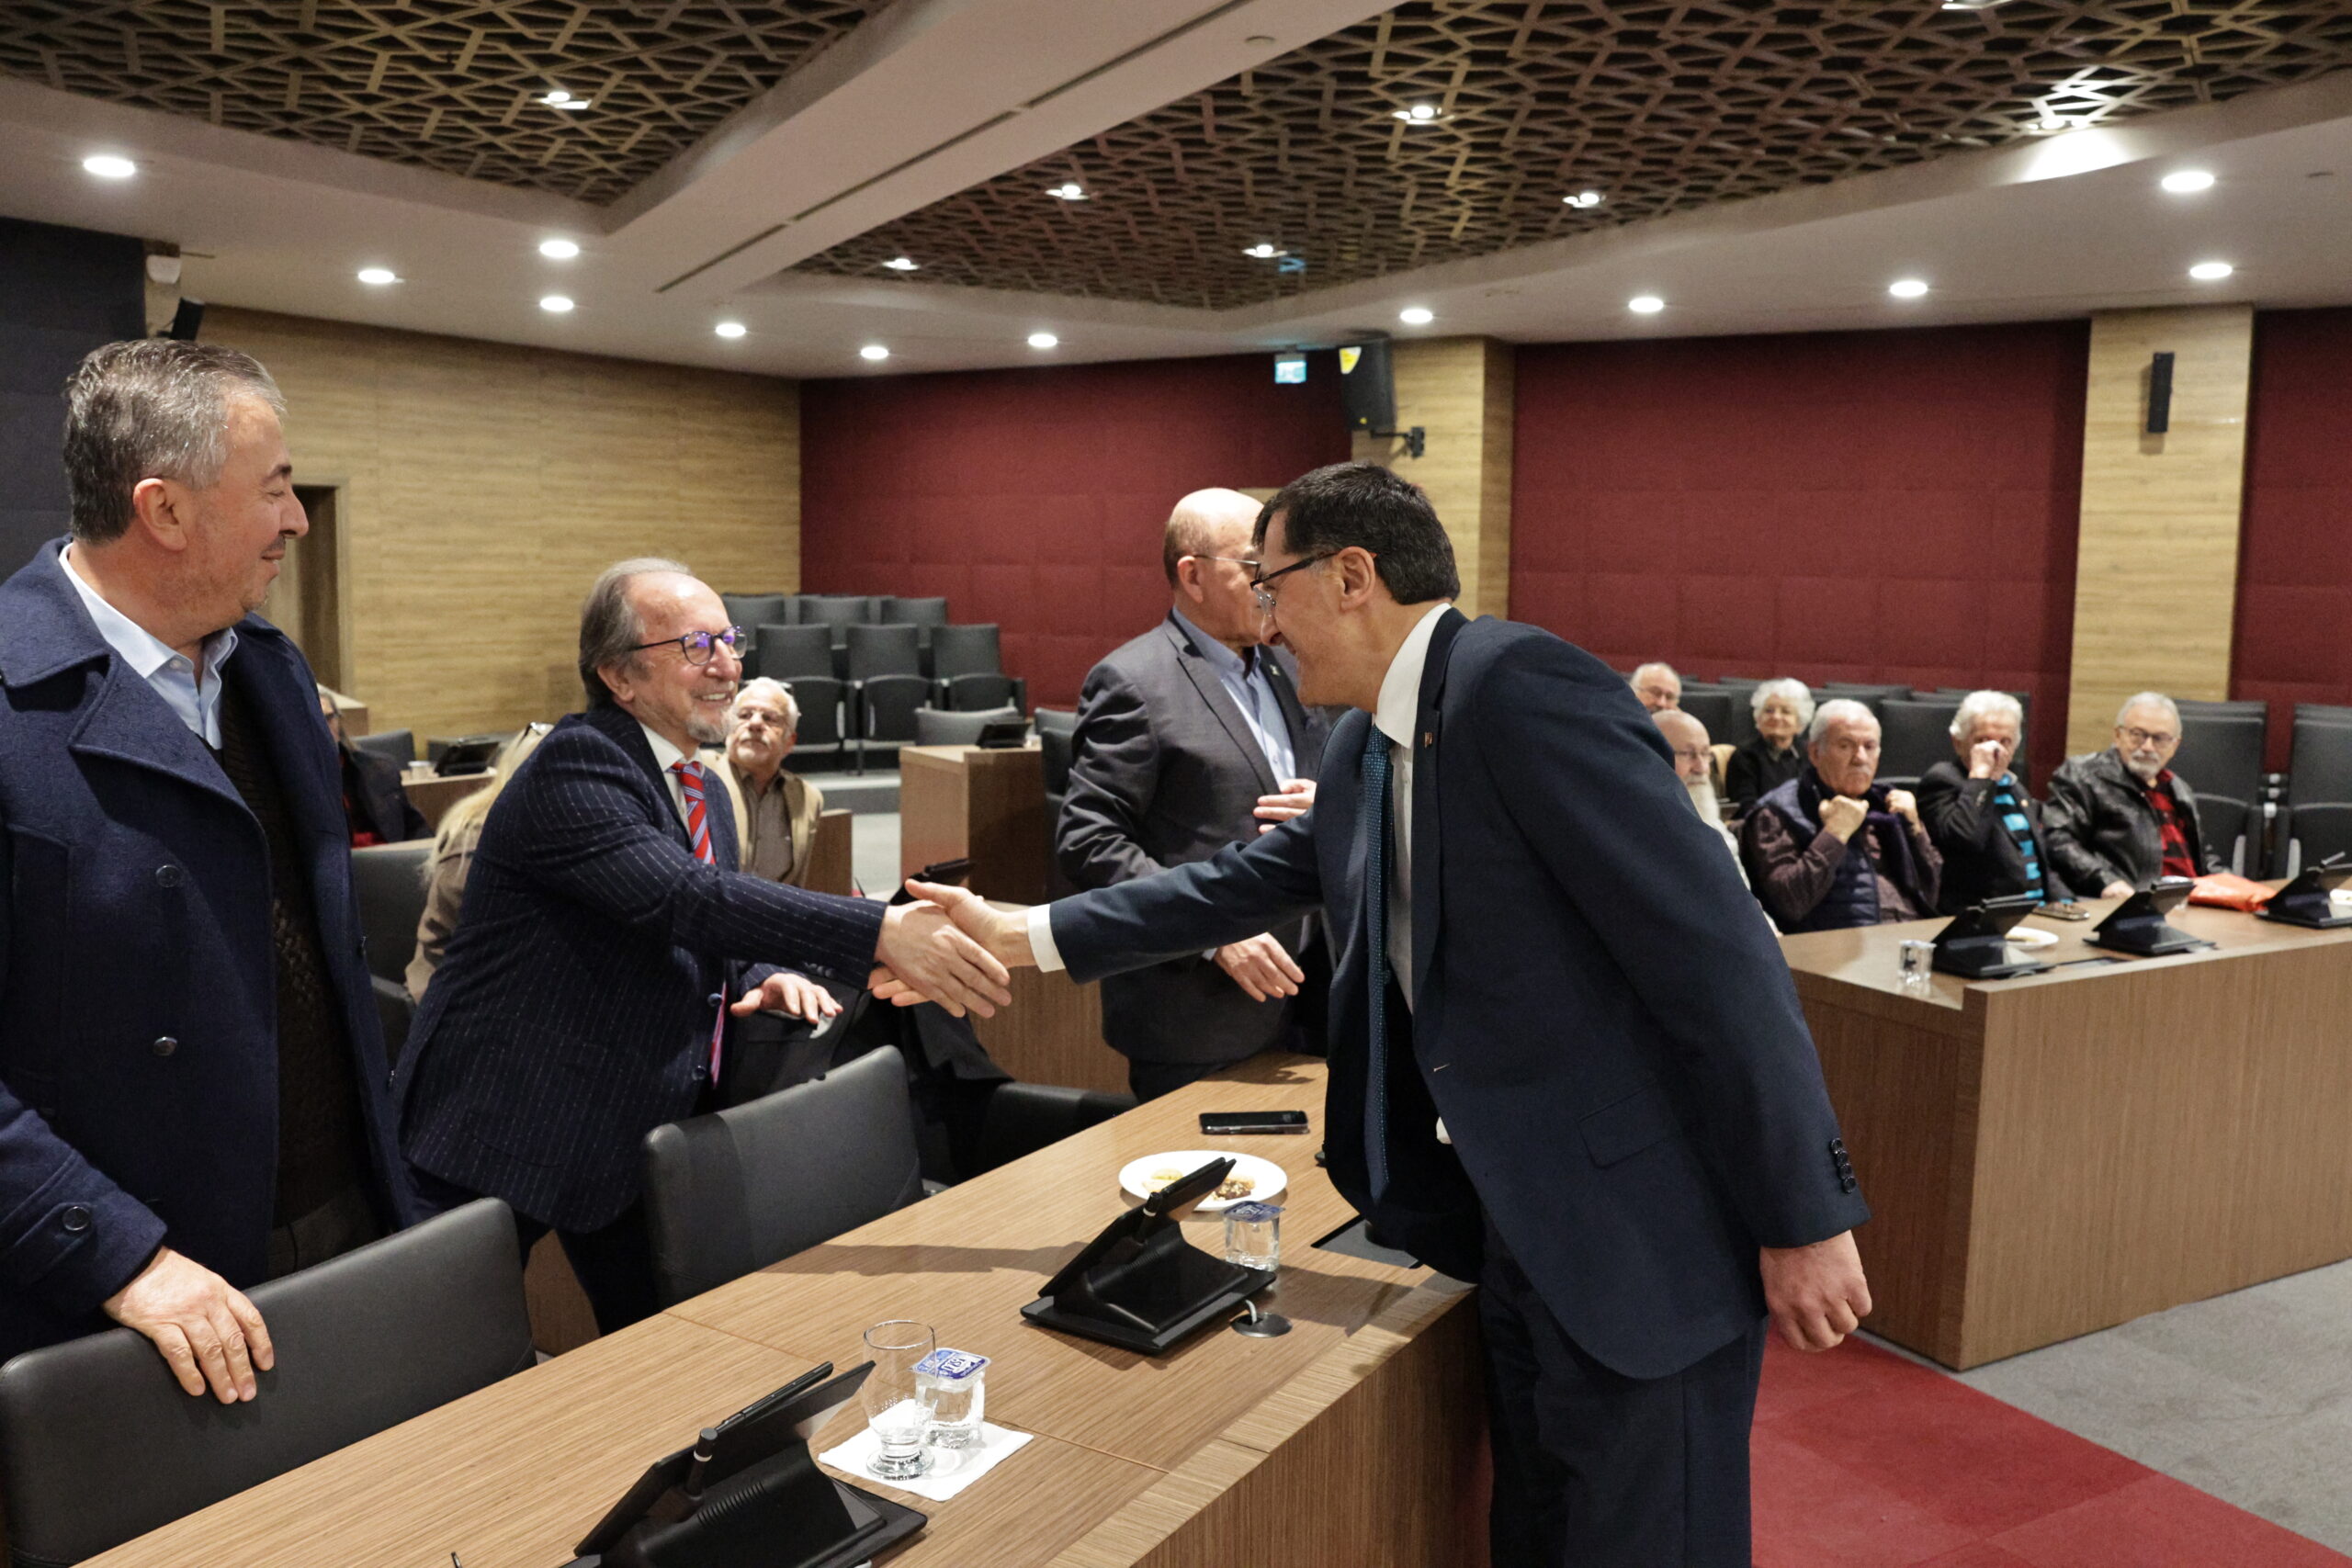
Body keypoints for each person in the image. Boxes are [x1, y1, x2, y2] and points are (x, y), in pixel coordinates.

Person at [894, 462, 1871, 1566]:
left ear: (1352, 576)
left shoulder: (1523, 688)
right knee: (1537, 1529)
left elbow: (1720, 957)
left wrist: (1802, 1214)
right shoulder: (1363, 741)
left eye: (1273, 588)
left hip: (1641, 1234)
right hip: (1512, 1224)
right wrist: (1020, 933)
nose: (1263, 627)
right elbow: (1228, 889)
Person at [394, 558, 1011, 1332]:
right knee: (450, 1373)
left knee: (666, 1347)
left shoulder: (704, 786)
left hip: (626, 1125)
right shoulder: (579, 764)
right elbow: (683, 895)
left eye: (730, 639)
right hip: (506, 1116)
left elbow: (695, 928)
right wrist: (877, 929)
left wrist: (764, 972)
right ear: (619, 675)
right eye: (697, 646)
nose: (728, 665)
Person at [0, 340, 422, 1401]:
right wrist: (120, 1257)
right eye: (275, 488)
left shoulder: (267, 664)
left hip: (337, 1210)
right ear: (167, 510)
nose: (298, 519)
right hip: (132, 1282)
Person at [1057, 488, 1332, 1100]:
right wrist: (1209, 930)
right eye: (1252, 567)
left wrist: (1330, 801)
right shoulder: (1133, 682)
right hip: (1195, 1014)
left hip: (1311, 998)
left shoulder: (1291, 667)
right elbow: (1088, 841)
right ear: (1193, 574)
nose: (1270, 586)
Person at [1741, 699, 1941, 931]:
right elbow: (1790, 903)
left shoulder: (1888, 804)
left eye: (1869, 746)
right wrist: (1835, 834)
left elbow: (1930, 893)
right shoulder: (1776, 812)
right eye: (1846, 746)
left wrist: (1916, 831)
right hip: (1834, 951)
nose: (1860, 758)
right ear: (1815, 753)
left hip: (1909, 940)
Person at [404, 722, 550, 1002]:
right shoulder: (474, 840)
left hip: (509, 981)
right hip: (452, 991)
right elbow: (497, 937)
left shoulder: (550, 827)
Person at [2042, 692, 2215, 898]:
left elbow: (2204, 858)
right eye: (2138, 734)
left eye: (2159, 738)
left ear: (2174, 745)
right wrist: (2105, 881)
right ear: (2118, 735)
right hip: (2135, 902)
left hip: (2191, 900)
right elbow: (2057, 839)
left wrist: (2235, 885)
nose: (2147, 747)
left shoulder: (2178, 788)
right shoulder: (2083, 776)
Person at [1916, 690, 2050, 913]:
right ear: (1958, 742)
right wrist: (1981, 778)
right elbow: (1965, 839)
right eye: (1983, 741)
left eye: (2004, 742)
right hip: (1984, 914)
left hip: (2037, 912)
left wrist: (2066, 903)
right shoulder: (1942, 780)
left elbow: (2037, 861)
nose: (1995, 751)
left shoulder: (2016, 787)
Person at [710, 677, 826, 888]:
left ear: (789, 741)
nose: (755, 723)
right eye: (744, 715)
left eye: (770, 718)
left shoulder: (807, 798)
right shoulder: (698, 772)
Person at [317, 686, 427, 846]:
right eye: (315, 720)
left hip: (389, 858)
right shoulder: (293, 782)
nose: (324, 727)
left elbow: (415, 827)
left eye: (329, 718)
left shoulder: (380, 769)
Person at [1654, 707, 1747, 886]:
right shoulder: (1638, 834)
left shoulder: (1715, 825)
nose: (1702, 768)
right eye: (1688, 754)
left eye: (1705, 754)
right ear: (1652, 756)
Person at [1724, 677, 1811, 812]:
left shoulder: (1809, 753)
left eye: (1786, 711)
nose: (1776, 716)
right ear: (1758, 718)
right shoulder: (1746, 756)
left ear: (1799, 723)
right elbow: (1745, 807)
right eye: (1769, 710)